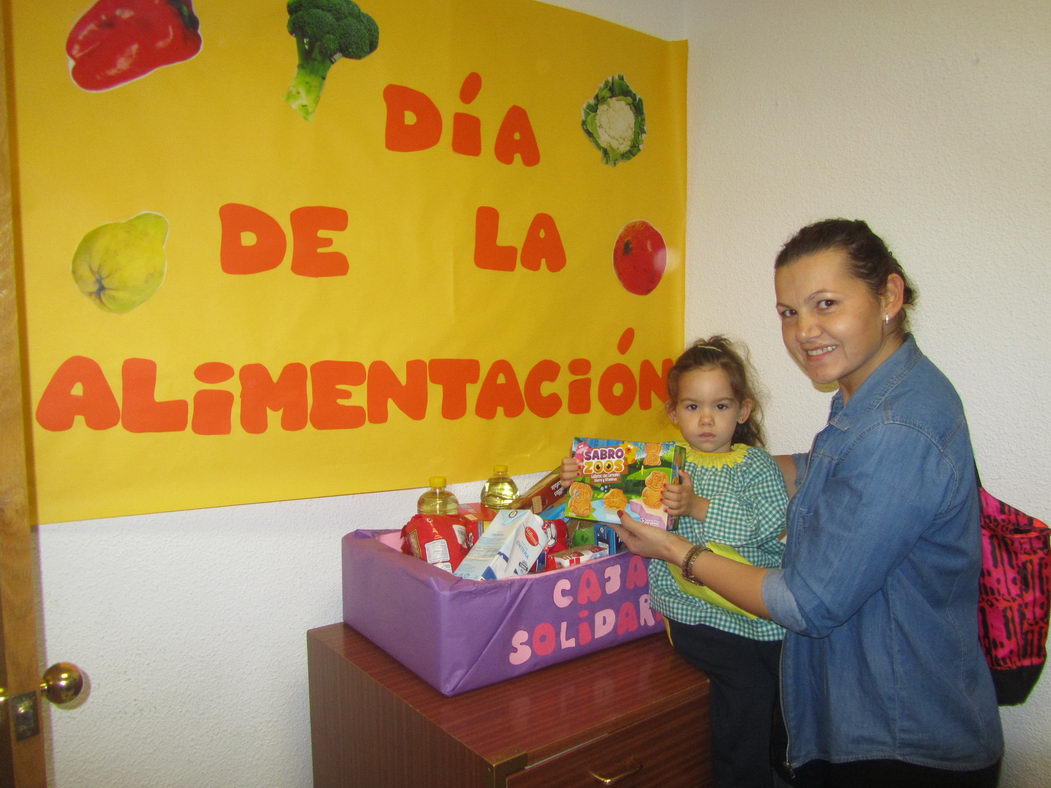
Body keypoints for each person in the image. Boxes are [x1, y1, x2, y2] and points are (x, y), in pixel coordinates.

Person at [609, 219, 1004, 787]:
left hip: (899, 740)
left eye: (825, 304)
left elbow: (805, 603)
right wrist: (636, 473)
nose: (804, 331)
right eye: (789, 312)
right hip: (872, 712)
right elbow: (818, 471)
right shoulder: (874, 394)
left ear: (889, 295)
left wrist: (676, 549)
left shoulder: (895, 426)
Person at [562, 335, 788, 788]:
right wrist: (581, 480)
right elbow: (616, 519)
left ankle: (781, 767)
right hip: (696, 613)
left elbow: (765, 527)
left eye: (721, 406)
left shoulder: (756, 465)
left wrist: (697, 506)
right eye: (692, 407)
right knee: (746, 690)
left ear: (743, 411)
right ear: (673, 412)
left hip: (760, 612)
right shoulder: (658, 464)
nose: (706, 419)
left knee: (787, 690)